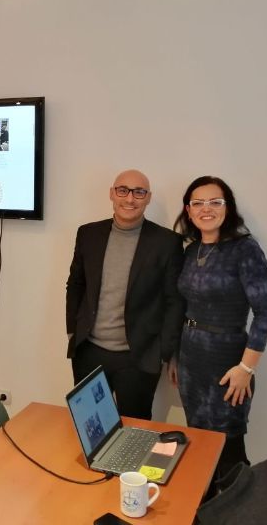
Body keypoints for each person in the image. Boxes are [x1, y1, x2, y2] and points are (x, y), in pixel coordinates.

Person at [170, 175, 267, 481]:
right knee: (199, 444)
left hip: (228, 364)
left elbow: (265, 312)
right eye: (198, 203)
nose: (207, 209)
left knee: (229, 450)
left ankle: (237, 504)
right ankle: (205, 504)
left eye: (215, 202)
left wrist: (246, 368)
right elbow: (183, 307)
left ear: (228, 208)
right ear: (188, 210)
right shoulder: (190, 251)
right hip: (191, 361)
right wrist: (176, 356)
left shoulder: (245, 249)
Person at [66, 170, 185, 419]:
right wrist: (72, 331)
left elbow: (174, 300)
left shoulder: (167, 242)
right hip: (89, 352)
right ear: (112, 193)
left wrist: (166, 351)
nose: (130, 199)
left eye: (139, 192)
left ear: (148, 198)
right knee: (91, 423)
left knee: (135, 427)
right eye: (123, 190)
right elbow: (76, 284)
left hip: (138, 357)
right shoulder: (88, 234)